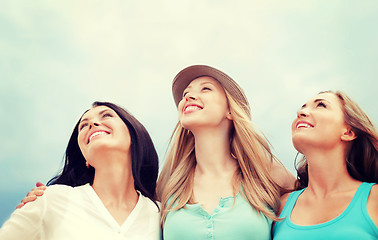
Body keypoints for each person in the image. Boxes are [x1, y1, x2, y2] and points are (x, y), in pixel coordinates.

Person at [156, 65, 295, 240]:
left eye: (206, 88)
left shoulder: (265, 173)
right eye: (185, 94)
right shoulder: (168, 183)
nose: (188, 96)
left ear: (230, 110)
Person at [0, 102, 161, 240]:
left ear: (133, 135)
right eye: (83, 125)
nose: (92, 124)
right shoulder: (51, 199)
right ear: (85, 157)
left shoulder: (161, 215)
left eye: (106, 116)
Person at [273, 91, 378, 239]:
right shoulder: (282, 207)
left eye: (321, 105)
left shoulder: (374, 199)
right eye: (302, 107)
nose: (301, 112)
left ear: (348, 132)